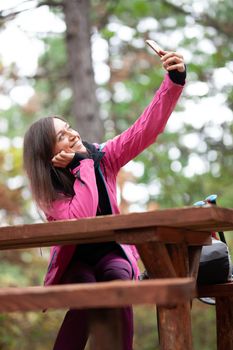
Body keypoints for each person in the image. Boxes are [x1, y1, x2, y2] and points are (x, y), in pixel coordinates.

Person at [23, 50, 186, 350]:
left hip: (112, 252)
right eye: (62, 135)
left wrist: (173, 82)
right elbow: (81, 220)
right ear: (46, 153)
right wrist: (81, 164)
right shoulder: (50, 190)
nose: (72, 134)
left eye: (69, 127)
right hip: (76, 259)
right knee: (86, 291)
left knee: (118, 280)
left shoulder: (103, 158)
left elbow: (144, 130)